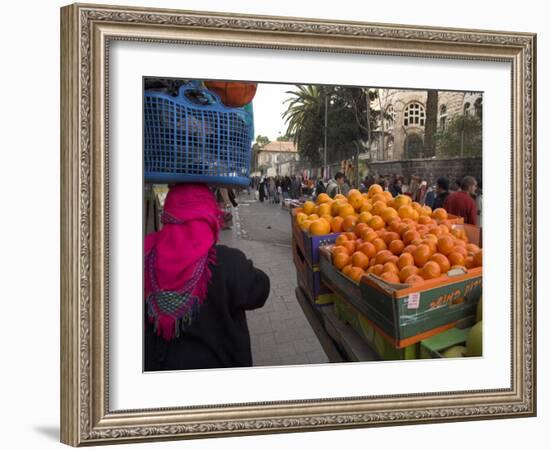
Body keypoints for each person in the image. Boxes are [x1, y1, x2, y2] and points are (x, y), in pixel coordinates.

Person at [144, 184, 270, 371]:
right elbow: (260, 290)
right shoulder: (227, 262)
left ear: (168, 215)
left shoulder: (145, 257)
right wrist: (244, 266)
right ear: (209, 215)